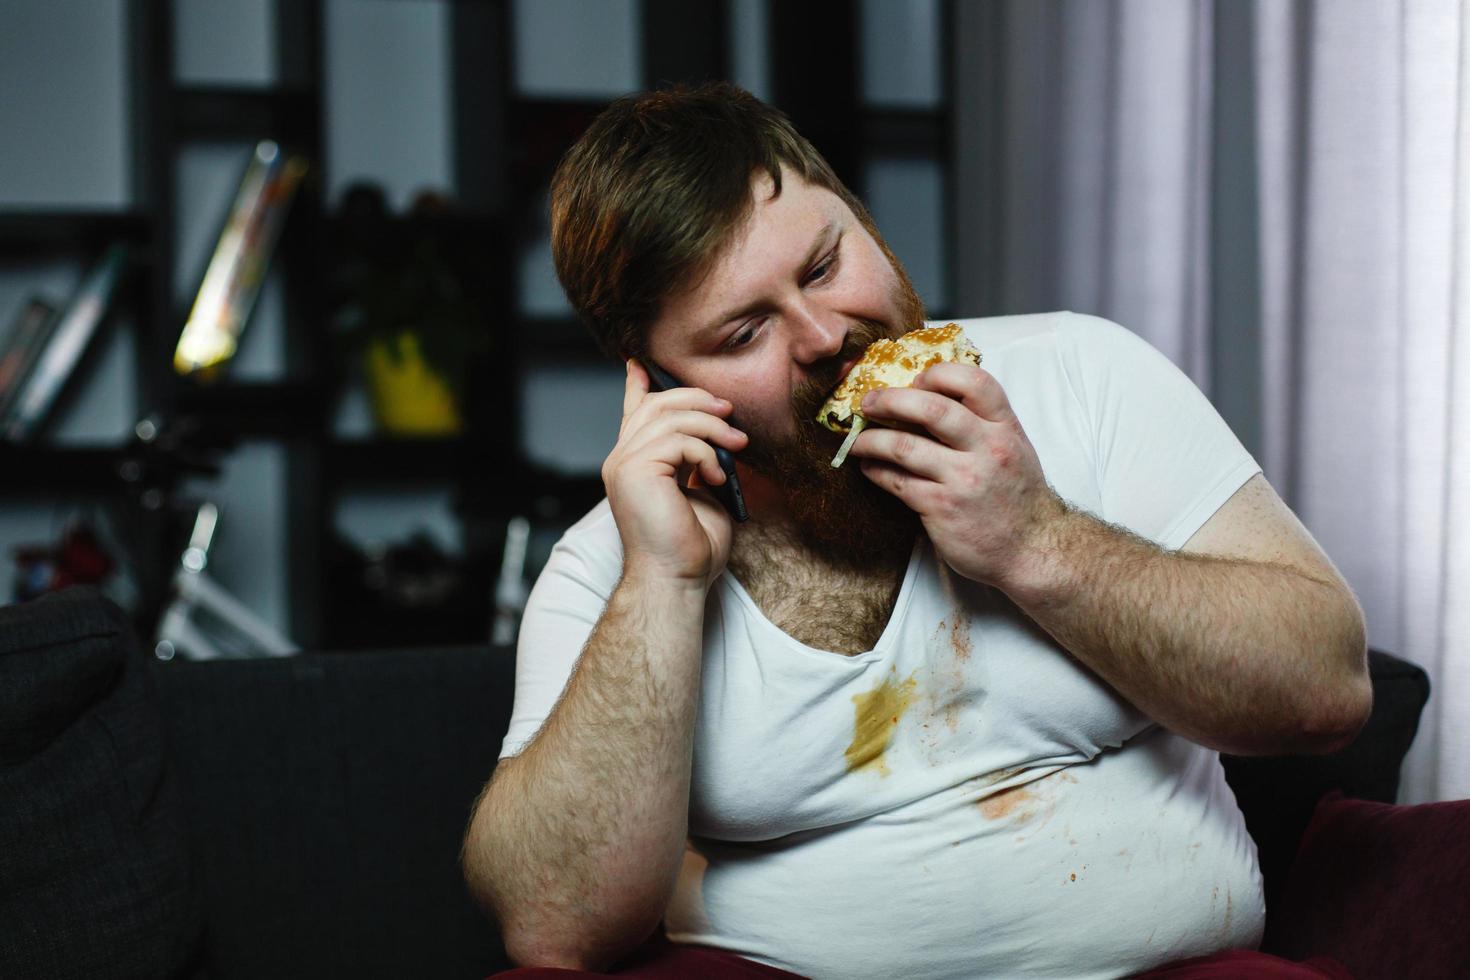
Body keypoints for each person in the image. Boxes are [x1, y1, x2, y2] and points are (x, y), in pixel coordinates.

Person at [461, 82, 1371, 980]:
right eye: (744, 333)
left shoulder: (1082, 376)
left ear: (860, 215)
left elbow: (1329, 688)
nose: (823, 335)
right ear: (659, 384)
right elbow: (554, 931)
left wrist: (1035, 541)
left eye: (823, 266)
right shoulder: (616, 559)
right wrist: (665, 579)